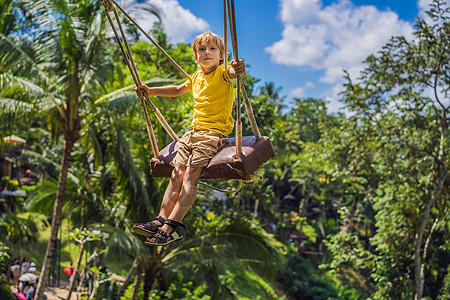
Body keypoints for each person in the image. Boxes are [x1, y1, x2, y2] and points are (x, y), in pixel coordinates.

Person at [132, 31, 246, 246]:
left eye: (212, 49)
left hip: (213, 134)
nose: (207, 53)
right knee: (177, 174)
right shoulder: (196, 76)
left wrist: (238, 69)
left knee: (190, 176)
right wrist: (151, 91)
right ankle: (160, 220)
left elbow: (234, 73)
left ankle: (173, 225)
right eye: (201, 49)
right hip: (192, 133)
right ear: (195, 56)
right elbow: (177, 89)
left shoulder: (222, 72)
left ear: (222, 55)